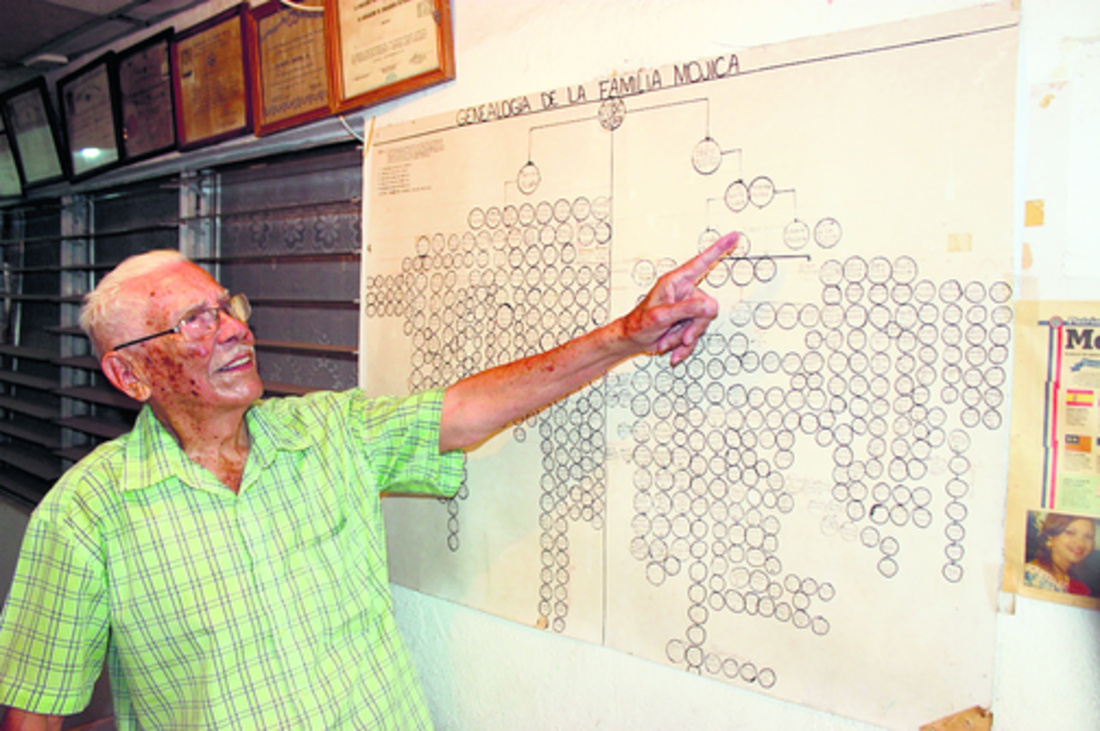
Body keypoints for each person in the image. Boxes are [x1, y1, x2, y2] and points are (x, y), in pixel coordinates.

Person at [0, 232, 738, 730]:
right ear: (129, 373)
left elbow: (466, 411)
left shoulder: (329, 433)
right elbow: (34, 709)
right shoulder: (86, 516)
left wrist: (626, 335)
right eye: (194, 321)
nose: (233, 328)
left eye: (227, 306)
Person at [1023, 512, 1097, 596]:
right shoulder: (1034, 576)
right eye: (1070, 533)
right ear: (1050, 538)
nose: (1081, 544)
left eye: (1088, 537)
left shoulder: (1070, 579)